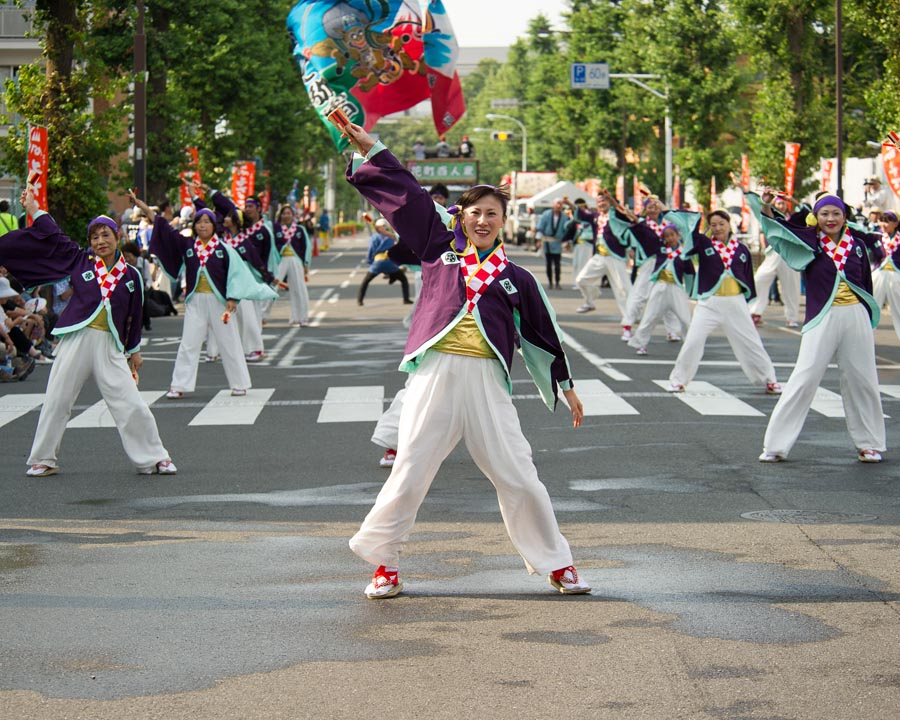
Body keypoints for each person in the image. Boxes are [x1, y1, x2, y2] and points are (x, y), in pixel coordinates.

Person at [341, 121, 590, 599]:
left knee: (518, 472)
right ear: (461, 217)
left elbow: (542, 332)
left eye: (492, 214)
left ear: (503, 220)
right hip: (435, 374)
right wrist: (369, 146)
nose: (482, 220)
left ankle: (559, 564)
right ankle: (384, 565)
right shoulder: (439, 248)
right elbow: (407, 193)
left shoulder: (516, 276)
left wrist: (566, 384)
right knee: (410, 469)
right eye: (474, 212)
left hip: (486, 382)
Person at [0, 188, 175, 477]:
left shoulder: (130, 275)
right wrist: (33, 207)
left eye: (105, 235)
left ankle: (155, 457)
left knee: (129, 403)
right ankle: (43, 458)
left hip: (109, 344)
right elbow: (53, 234)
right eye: (94, 237)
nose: (100, 241)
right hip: (76, 338)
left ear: (117, 237)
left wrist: (135, 351)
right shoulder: (80, 261)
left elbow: (133, 316)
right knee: (57, 398)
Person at [753, 190, 886, 463]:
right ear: (816, 216)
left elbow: (864, 283)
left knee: (863, 379)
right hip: (821, 316)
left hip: (855, 314)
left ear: (845, 216)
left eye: (836, 213)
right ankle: (776, 446)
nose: (830, 218)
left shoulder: (857, 245)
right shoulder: (808, 241)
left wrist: (866, 314)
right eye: (824, 213)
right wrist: (766, 205)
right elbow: (776, 229)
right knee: (804, 377)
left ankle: (869, 444)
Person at [132, 192, 276, 400]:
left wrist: (233, 299)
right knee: (189, 343)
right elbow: (165, 228)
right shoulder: (188, 247)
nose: (202, 225)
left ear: (214, 226)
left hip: (220, 303)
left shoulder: (225, 250)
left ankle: (240, 384)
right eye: (199, 221)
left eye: (207, 221)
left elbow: (236, 275)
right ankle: (179, 385)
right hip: (195, 301)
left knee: (230, 342)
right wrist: (145, 208)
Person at [666, 209, 782, 395]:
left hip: (735, 302)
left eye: (722, 224)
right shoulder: (704, 243)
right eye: (713, 225)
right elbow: (688, 245)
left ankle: (769, 380)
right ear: (709, 228)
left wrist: (748, 302)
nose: (718, 228)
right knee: (693, 341)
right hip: (709, 303)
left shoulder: (741, 248)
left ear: (729, 224)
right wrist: (692, 222)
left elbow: (747, 277)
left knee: (751, 342)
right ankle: (678, 381)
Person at [627, 224, 693, 355]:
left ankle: (691, 346)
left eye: (672, 235)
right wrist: (637, 224)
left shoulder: (684, 253)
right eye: (667, 236)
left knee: (686, 319)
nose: (670, 238)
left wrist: (693, 291)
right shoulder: (660, 249)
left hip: (676, 288)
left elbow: (690, 273)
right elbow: (646, 237)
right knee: (650, 317)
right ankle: (641, 344)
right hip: (660, 286)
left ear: (678, 235)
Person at [573, 193, 632, 320]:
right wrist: (570, 205)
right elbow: (583, 216)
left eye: (604, 201)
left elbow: (626, 216)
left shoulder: (616, 215)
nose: (601, 204)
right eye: (599, 202)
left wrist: (614, 203)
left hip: (615, 257)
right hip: (599, 257)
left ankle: (630, 316)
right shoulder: (596, 216)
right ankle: (590, 302)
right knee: (581, 280)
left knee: (622, 288)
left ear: (610, 202)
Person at [749, 194, 802, 328]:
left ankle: (792, 317)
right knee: (760, 279)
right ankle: (756, 312)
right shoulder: (771, 217)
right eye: (778, 204)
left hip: (790, 256)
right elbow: (761, 211)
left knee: (791, 287)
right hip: (773, 254)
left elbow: (806, 211)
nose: (781, 206)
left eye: (783, 204)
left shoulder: (794, 219)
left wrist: (792, 199)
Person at [357, 218, 412, 306]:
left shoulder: (374, 237)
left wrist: (370, 262)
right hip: (390, 263)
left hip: (378, 262)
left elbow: (371, 251)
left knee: (366, 281)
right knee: (403, 279)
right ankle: (406, 299)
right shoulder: (392, 237)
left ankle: (360, 300)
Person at [273, 204, 312, 327]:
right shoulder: (277, 229)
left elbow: (307, 247)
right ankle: (262, 316)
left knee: (299, 289)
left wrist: (306, 263)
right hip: (282, 260)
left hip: (296, 260)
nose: (286, 215)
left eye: (289, 213)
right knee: (273, 285)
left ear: (293, 215)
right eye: (284, 213)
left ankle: (302, 317)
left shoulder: (300, 229)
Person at [873, 211, 900, 343]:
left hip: (896, 275)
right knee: (872, 306)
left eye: (887, 221)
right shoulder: (876, 237)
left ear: (896, 223)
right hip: (879, 273)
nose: (883, 224)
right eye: (882, 220)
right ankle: (866, 336)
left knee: (899, 308)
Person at [535, 198, 568, 290]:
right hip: (547, 242)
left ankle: (557, 282)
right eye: (557, 203)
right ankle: (550, 282)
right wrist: (538, 240)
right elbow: (541, 227)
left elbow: (566, 230)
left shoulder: (564, 216)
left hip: (557, 242)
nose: (558, 206)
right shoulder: (546, 214)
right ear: (553, 204)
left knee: (557, 264)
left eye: (560, 204)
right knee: (548, 264)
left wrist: (567, 241)